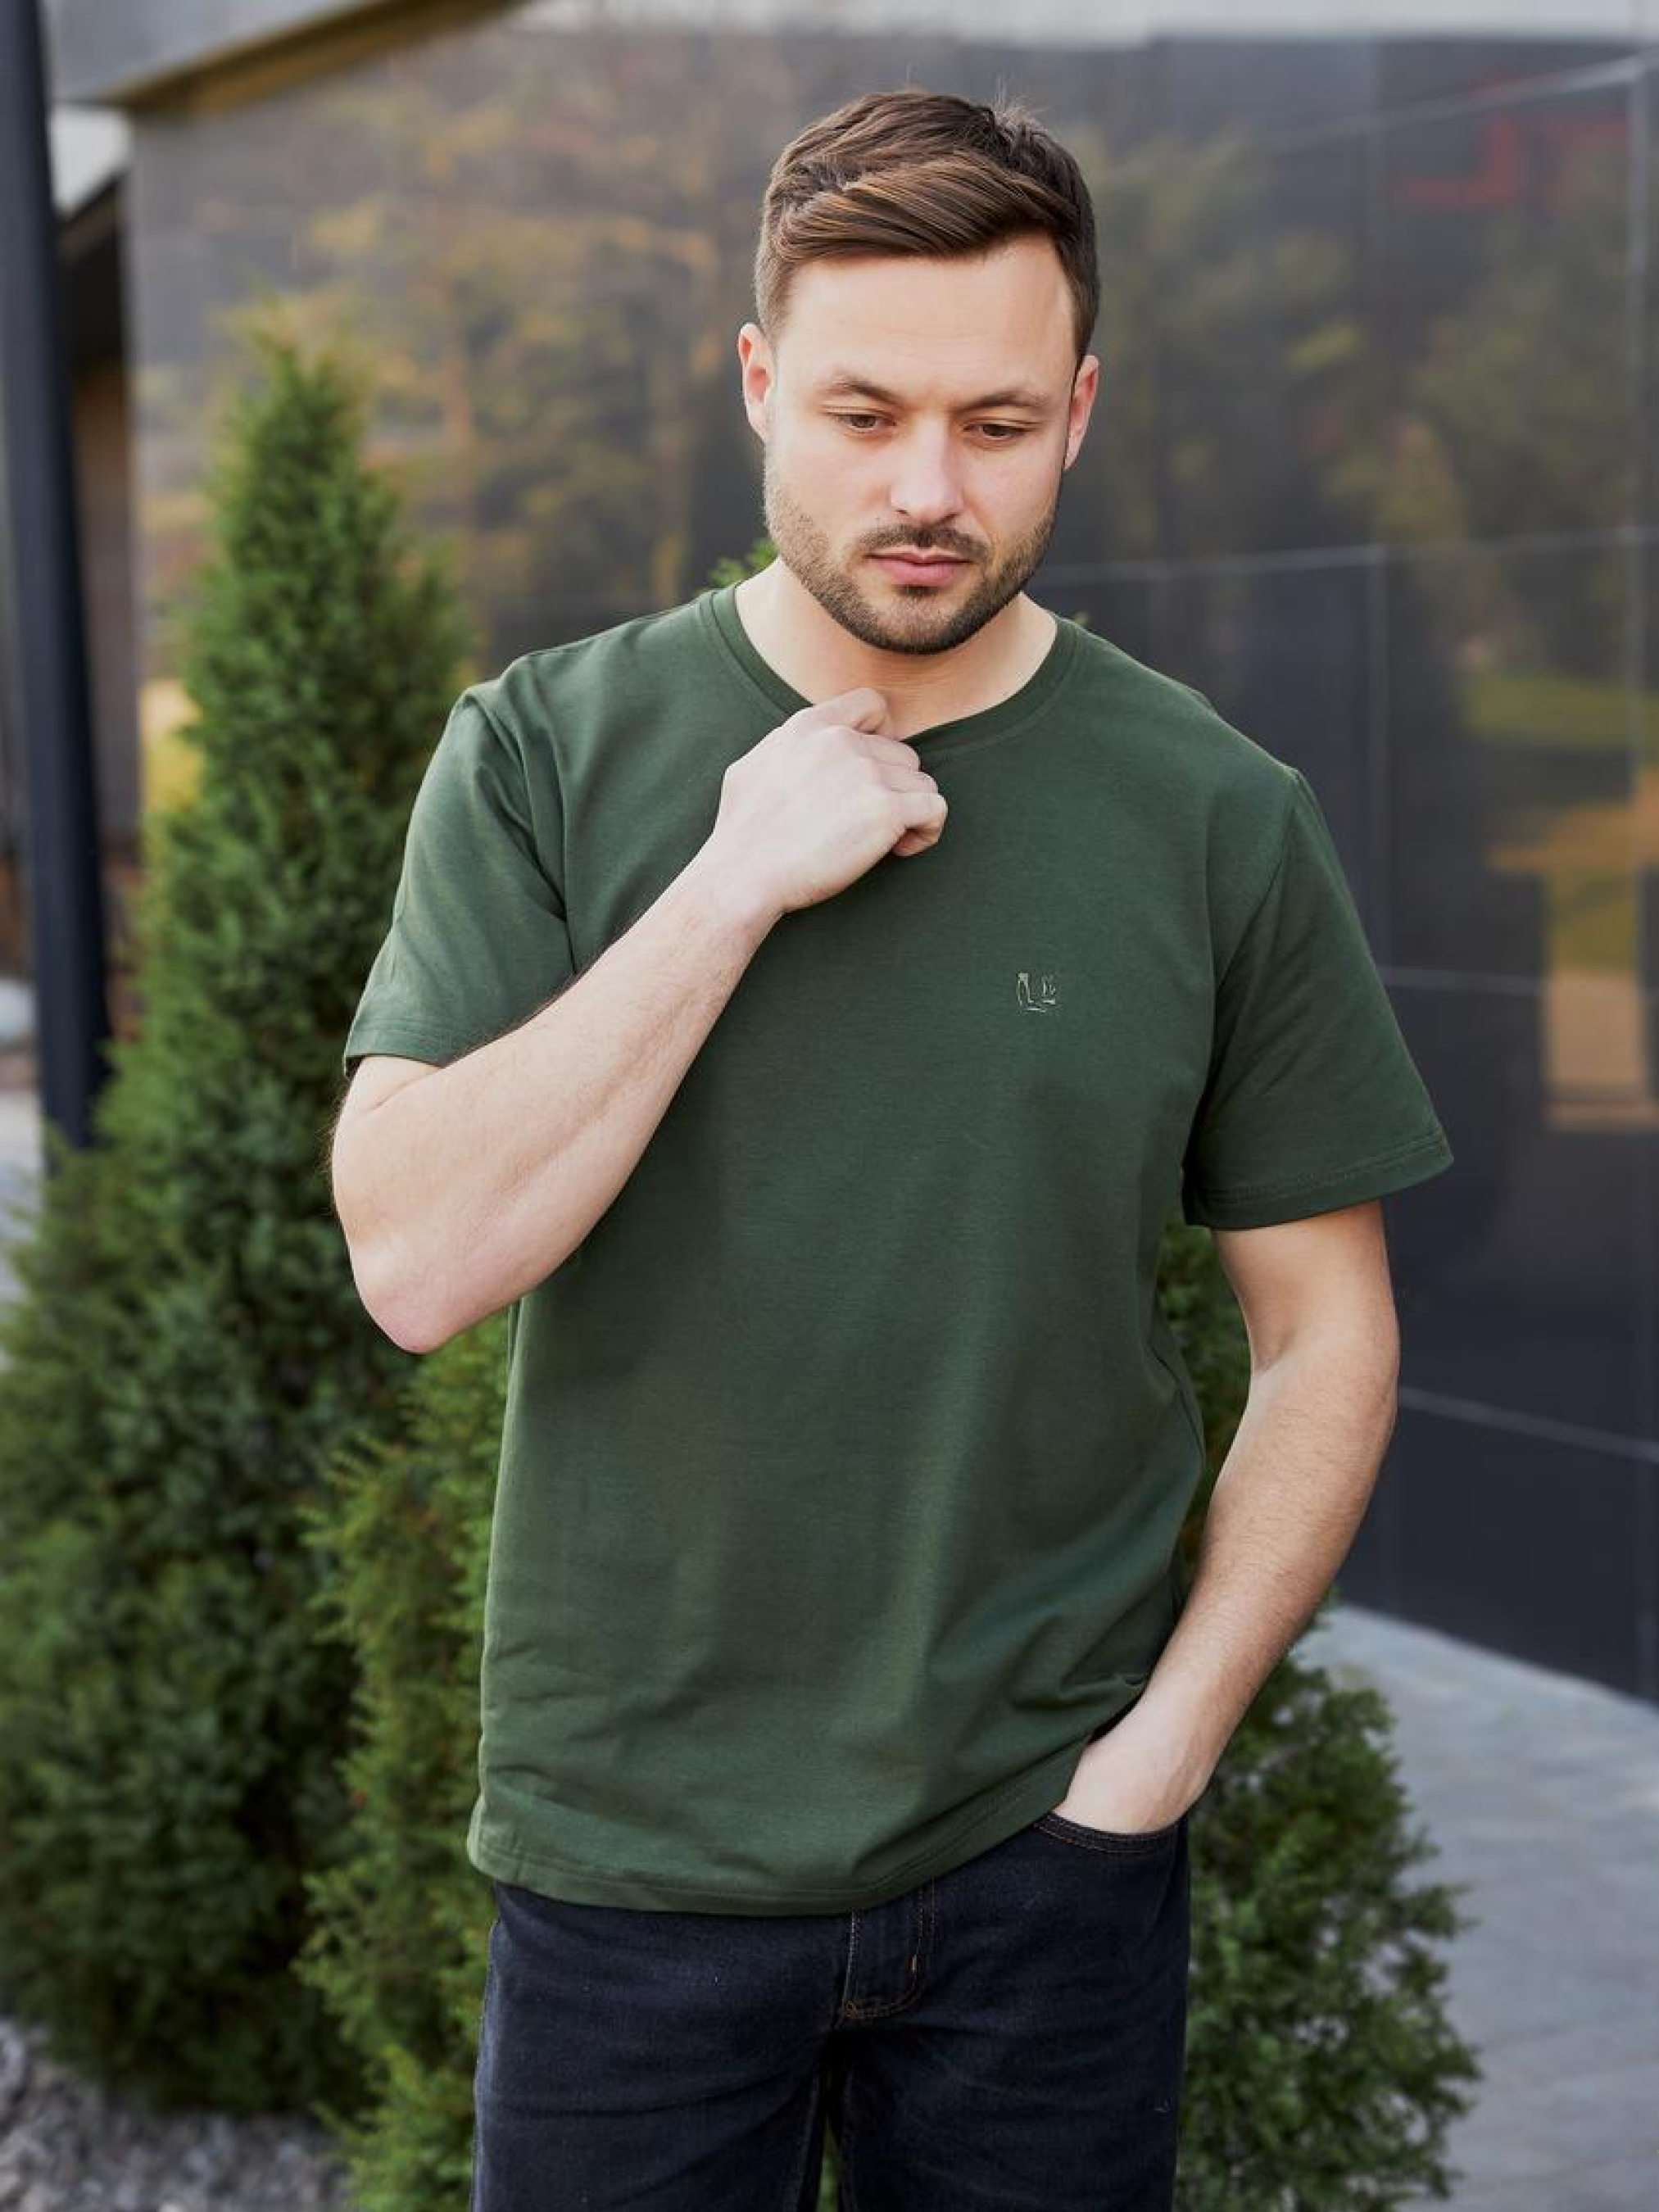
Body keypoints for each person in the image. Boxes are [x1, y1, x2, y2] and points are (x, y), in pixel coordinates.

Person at [330, 83, 1453, 2212]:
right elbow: (414, 1263)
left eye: (996, 422)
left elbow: (1326, 1335)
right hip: (634, 1858)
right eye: (863, 414)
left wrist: (1156, 1760)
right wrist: (731, 883)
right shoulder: (548, 752)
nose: (929, 489)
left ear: (1080, 411)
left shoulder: (1217, 816)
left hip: (1045, 1863)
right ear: (758, 383)